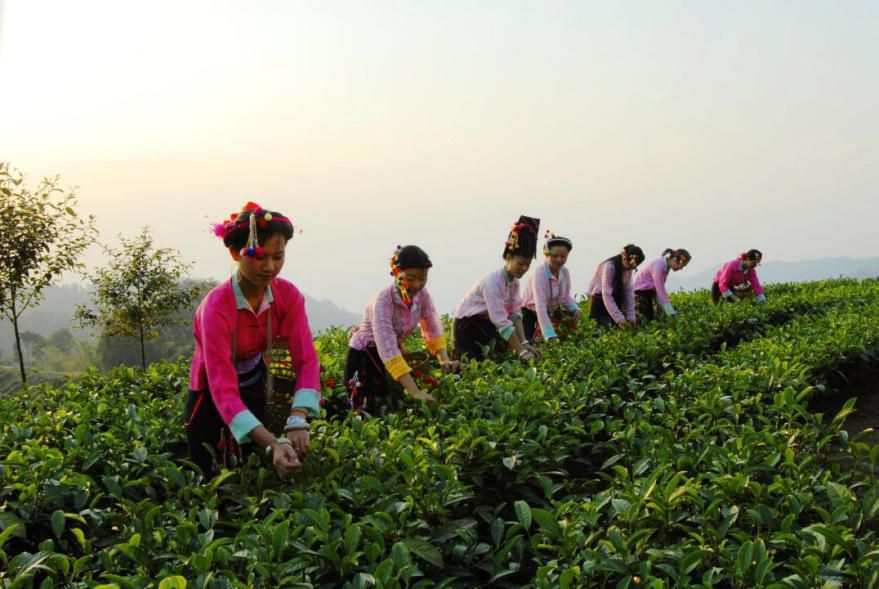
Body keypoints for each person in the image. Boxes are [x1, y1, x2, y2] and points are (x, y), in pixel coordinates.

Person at [184, 202, 320, 481]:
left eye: (278, 257)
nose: (270, 267)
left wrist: (297, 417)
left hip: (255, 380)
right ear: (235, 253)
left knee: (255, 467)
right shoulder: (216, 308)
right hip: (209, 392)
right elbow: (222, 387)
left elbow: (306, 358)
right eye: (258, 257)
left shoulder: (288, 296)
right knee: (210, 473)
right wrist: (273, 442)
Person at [344, 245, 457, 414]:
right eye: (410, 278)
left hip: (387, 355)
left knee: (393, 403)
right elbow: (387, 348)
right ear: (397, 273)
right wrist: (415, 391)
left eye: (423, 278)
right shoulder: (383, 301)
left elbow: (431, 325)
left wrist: (444, 359)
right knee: (364, 409)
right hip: (363, 356)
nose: (417, 284)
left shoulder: (422, 295)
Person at [452, 215, 541, 362]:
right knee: (469, 364)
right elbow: (501, 321)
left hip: (486, 324)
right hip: (467, 325)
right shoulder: (493, 282)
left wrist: (524, 343)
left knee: (498, 359)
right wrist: (521, 352)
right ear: (508, 258)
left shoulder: (514, 283)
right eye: (520, 263)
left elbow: (515, 314)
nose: (524, 268)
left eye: (528, 264)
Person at [521, 231, 580, 343]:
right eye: (555, 256)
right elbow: (540, 306)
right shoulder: (540, 272)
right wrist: (549, 335)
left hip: (552, 309)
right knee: (530, 342)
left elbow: (566, 296)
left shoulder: (565, 272)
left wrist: (575, 308)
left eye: (563, 256)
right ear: (547, 255)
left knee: (565, 339)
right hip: (531, 311)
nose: (559, 260)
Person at [586, 244, 645, 329]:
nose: (630, 269)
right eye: (629, 265)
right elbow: (606, 295)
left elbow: (628, 294)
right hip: (600, 304)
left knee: (625, 330)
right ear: (624, 257)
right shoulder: (609, 267)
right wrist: (619, 319)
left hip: (615, 303)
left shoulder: (628, 270)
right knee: (607, 329)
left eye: (633, 268)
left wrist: (631, 318)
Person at [634, 248, 691, 320]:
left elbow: (659, 291)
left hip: (648, 292)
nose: (681, 268)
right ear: (675, 260)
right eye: (682, 266)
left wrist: (661, 307)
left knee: (653, 317)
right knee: (646, 318)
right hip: (639, 292)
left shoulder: (666, 266)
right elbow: (661, 291)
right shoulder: (659, 266)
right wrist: (671, 312)